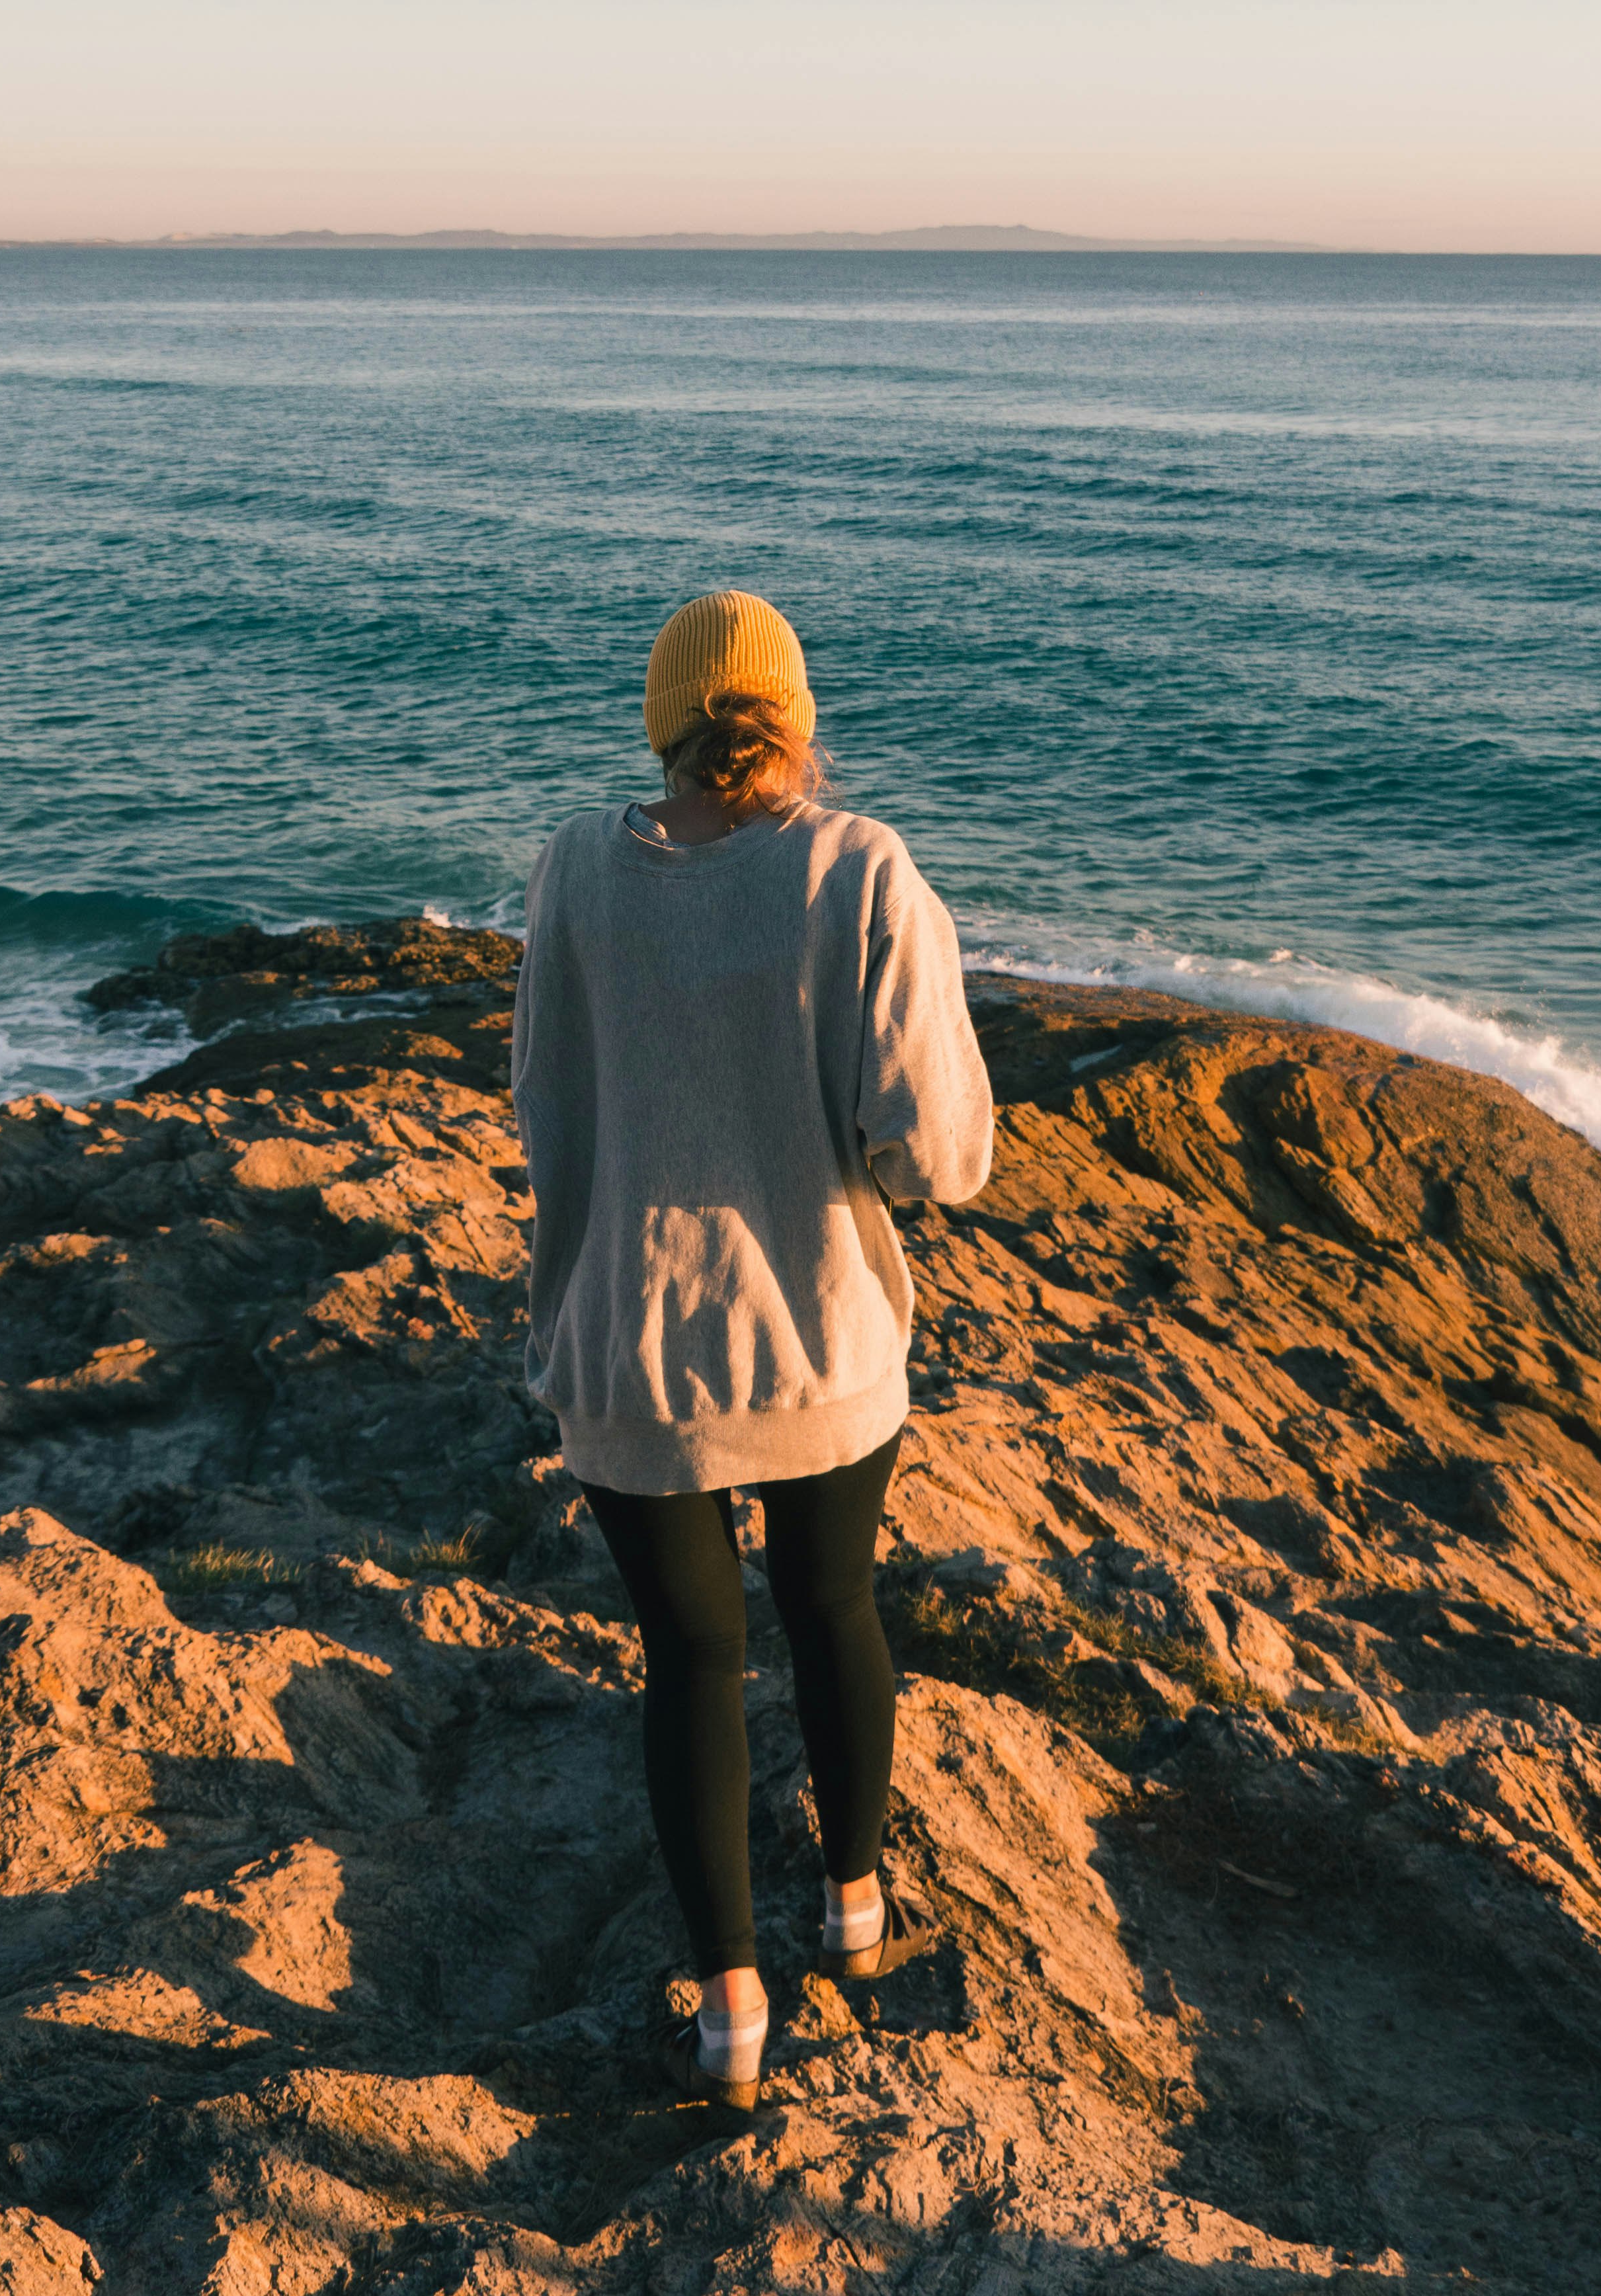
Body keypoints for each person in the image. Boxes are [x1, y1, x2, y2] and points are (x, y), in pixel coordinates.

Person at [511, 589, 995, 2115]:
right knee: (835, 1608)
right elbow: (941, 1153)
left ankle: (729, 2015)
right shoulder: (858, 868)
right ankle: (851, 1914)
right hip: (820, 1342)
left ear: (662, 722)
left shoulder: (578, 867)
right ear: (794, 722)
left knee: (691, 1666)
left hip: (629, 1349)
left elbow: (542, 1102)